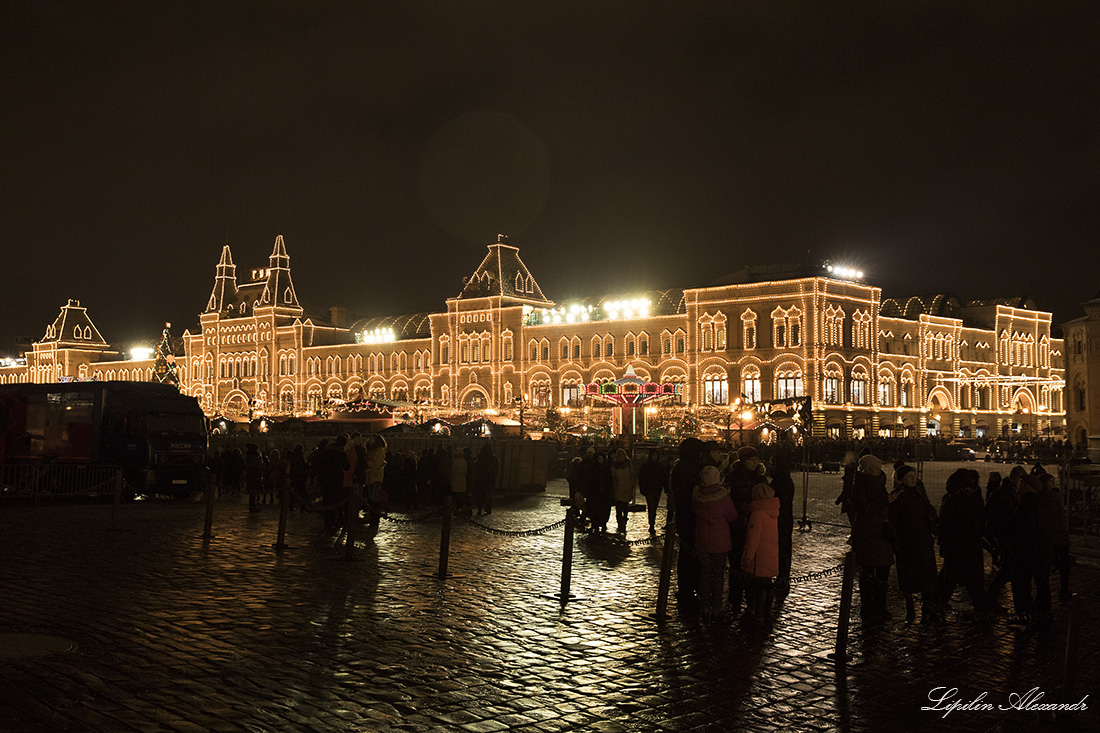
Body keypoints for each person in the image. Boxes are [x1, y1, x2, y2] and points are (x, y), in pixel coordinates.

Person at [888, 465, 940, 622]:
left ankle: (927, 606)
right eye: (909, 476)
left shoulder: (919, 491)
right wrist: (896, 540)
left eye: (914, 475)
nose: (913, 478)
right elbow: (893, 519)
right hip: (907, 541)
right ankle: (910, 606)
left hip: (922, 539)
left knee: (927, 575)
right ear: (901, 478)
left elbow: (927, 510)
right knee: (909, 576)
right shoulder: (898, 495)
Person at [850, 453, 893, 623]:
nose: (879, 470)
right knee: (868, 574)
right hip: (867, 533)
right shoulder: (860, 485)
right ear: (867, 469)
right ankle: (867, 608)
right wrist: (886, 501)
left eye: (879, 468)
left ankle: (880, 607)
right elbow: (865, 508)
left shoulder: (879, 482)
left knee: (882, 573)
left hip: (881, 532)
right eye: (875, 468)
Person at [693, 465, 738, 623]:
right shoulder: (723, 496)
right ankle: (717, 607)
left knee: (704, 574)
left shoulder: (697, 495)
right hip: (720, 541)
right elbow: (732, 515)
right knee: (718, 575)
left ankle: (705, 606)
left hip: (702, 541)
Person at [937, 468, 986, 612]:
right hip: (969, 544)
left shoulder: (952, 499)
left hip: (956, 545)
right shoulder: (974, 498)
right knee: (971, 580)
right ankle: (981, 607)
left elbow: (945, 523)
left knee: (951, 578)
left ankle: (940, 603)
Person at [1009, 472, 1055, 625]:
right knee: (1042, 583)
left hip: (1028, 552)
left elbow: (1024, 531)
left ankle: (1025, 613)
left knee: (1020, 583)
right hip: (1043, 551)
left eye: (1021, 483)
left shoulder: (1025, 504)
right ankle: (1044, 612)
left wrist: (1018, 549)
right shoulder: (1043, 502)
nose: (1018, 485)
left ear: (1029, 487)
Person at [726, 445, 766, 616]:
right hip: (737, 525)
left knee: (751, 565)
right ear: (743, 461)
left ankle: (751, 602)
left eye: (756, 460)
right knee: (736, 563)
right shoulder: (732, 477)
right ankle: (734, 600)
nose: (754, 462)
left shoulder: (760, 479)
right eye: (751, 460)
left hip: (755, 525)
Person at [670, 438, 706, 610]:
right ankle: (689, 587)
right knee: (690, 553)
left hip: (684, 515)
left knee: (686, 554)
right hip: (690, 515)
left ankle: (687, 587)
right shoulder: (690, 469)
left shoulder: (681, 468)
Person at [741, 480, 780, 622]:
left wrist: (748, 557)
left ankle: (757, 613)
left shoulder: (757, 513)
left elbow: (753, 538)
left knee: (756, 586)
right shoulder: (773, 512)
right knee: (767, 585)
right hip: (769, 555)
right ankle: (766, 612)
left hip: (758, 557)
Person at [1039, 473, 1071, 598]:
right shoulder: (1042, 497)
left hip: (1060, 532)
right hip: (1049, 533)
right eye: (1050, 481)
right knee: (1047, 563)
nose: (1052, 483)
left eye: (1053, 481)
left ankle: (1064, 587)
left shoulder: (1057, 495)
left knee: (1064, 562)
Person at [769, 454, 796, 597]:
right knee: (783, 548)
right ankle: (782, 577)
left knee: (782, 549)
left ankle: (782, 578)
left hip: (780, 518)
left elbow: (778, 501)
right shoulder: (784, 480)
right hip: (785, 518)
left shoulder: (780, 481)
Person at [638, 449, 668, 534]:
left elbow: (663, 478)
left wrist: (665, 487)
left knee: (654, 507)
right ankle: (651, 524)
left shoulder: (657, 466)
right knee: (652, 507)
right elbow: (642, 478)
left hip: (656, 489)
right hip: (650, 489)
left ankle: (652, 523)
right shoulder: (649, 466)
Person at [363, 434, 387, 530]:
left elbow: (376, 465)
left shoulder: (380, 451)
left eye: (371, 439)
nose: (369, 440)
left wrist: (367, 461)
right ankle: (372, 517)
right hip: (369, 477)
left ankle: (374, 519)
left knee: (374, 498)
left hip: (375, 478)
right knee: (370, 498)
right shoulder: (370, 450)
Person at [610, 448, 635, 533]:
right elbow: (612, 478)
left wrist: (632, 485)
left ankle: (624, 522)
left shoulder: (628, 464)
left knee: (625, 507)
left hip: (626, 489)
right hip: (618, 489)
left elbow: (632, 475)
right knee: (619, 508)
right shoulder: (614, 465)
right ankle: (620, 523)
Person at [472, 444, 499, 516]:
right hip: (489, 480)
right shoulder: (493, 459)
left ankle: (480, 508)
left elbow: (475, 466)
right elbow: (495, 470)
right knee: (488, 495)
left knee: (480, 495)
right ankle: (488, 508)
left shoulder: (480, 457)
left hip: (480, 479)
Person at [288, 444, 310, 512]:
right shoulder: (299, 457)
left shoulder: (293, 457)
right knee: (301, 492)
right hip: (300, 476)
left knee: (295, 492)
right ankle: (302, 506)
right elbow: (302, 466)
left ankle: (291, 506)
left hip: (295, 476)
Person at [244, 443, 264, 513]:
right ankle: (252, 506)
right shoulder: (253, 459)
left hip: (251, 476)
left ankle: (252, 506)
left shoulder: (249, 458)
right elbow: (257, 467)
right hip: (254, 477)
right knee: (253, 492)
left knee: (252, 493)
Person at [450, 446, 470, 515]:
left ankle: (456, 509)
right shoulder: (464, 462)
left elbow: (453, 472)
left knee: (456, 495)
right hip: (463, 480)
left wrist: (451, 479)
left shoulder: (455, 462)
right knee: (461, 495)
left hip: (456, 480)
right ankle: (461, 508)